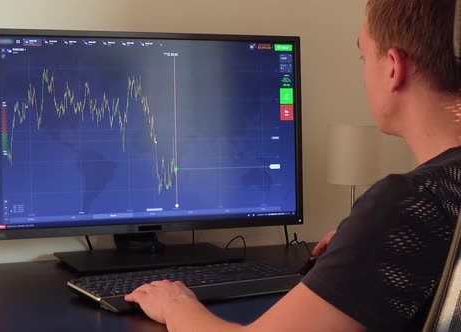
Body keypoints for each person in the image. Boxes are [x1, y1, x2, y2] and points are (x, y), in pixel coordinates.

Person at [124, 0, 461, 331]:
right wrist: (360, 245)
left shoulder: (407, 203)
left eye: (363, 55)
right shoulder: (435, 197)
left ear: (392, 67)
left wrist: (176, 305)